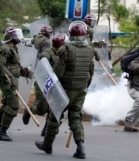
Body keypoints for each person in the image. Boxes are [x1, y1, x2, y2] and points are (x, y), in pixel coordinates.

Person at [34, 21, 95, 159]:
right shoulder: (90, 49)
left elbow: (57, 73)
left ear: (70, 34)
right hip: (81, 89)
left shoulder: (65, 49)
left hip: (65, 89)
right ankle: (81, 148)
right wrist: (85, 87)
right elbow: (91, 72)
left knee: (54, 116)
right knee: (76, 118)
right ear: (85, 34)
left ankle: (47, 145)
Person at [22, 33, 67, 136]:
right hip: (43, 82)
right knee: (42, 109)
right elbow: (43, 59)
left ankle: (46, 129)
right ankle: (29, 111)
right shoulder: (48, 52)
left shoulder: (64, 54)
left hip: (56, 84)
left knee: (54, 107)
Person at [0, 26, 29, 141]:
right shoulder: (5, 48)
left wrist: (22, 70)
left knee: (7, 104)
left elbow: (13, 64)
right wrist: (11, 79)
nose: (19, 38)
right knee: (13, 105)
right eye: (17, 36)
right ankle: (2, 132)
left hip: (11, 80)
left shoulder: (13, 48)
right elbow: (0, 65)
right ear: (11, 37)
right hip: (6, 80)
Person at [22, 24, 53, 136]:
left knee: (50, 105)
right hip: (45, 73)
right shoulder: (47, 43)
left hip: (39, 72)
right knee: (43, 107)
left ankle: (47, 129)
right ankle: (30, 111)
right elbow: (46, 57)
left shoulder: (36, 39)